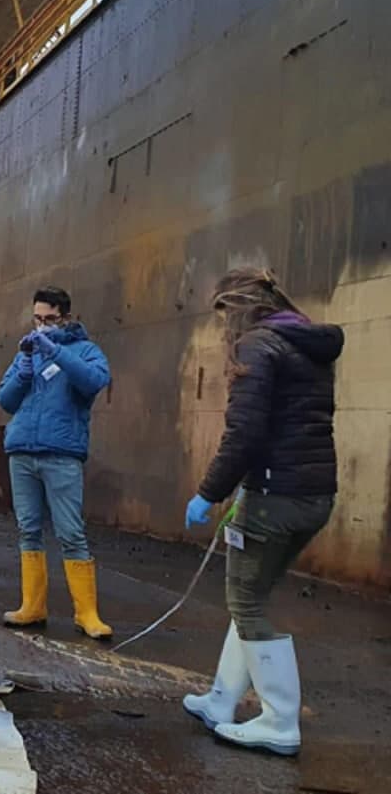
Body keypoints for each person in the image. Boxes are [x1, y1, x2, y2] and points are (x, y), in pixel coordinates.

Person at [181, 268, 342, 757]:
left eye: (225, 316)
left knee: (247, 601)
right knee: (249, 598)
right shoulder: (306, 346)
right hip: (313, 496)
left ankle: (278, 720)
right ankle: (222, 700)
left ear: (239, 310)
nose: (225, 328)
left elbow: (245, 433)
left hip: (276, 498)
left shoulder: (257, 346)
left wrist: (209, 494)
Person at [0, 286, 113, 639]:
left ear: (66, 317)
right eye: (38, 319)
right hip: (22, 451)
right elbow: (6, 400)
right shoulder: (27, 353)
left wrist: (56, 352)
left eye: (50, 319)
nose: (43, 326)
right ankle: (32, 606)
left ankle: (87, 614)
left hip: (61, 453)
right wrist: (24, 370)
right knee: (28, 529)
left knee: (70, 532)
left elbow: (94, 381)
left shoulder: (85, 351)